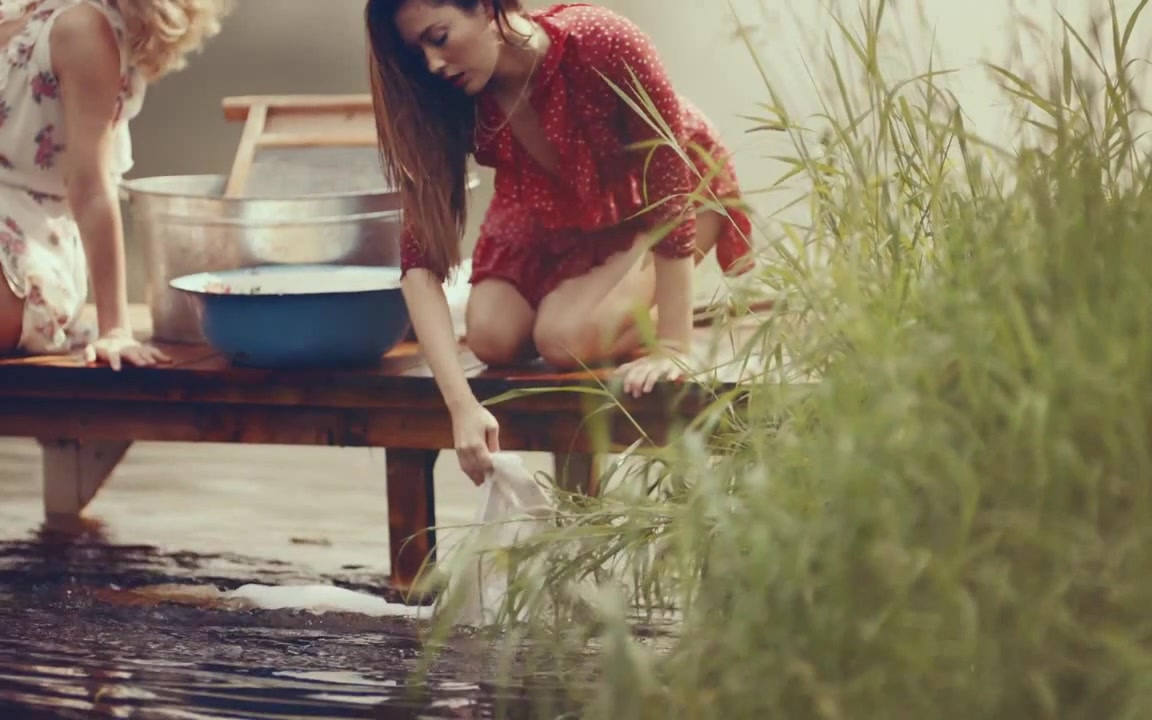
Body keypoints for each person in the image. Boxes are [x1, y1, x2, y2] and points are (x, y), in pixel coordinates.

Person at [366, 0, 755, 484]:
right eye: (416, 53)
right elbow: (418, 260)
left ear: (486, 7)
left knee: (562, 339)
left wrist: (673, 345)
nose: (432, 64)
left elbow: (669, 186)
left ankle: (672, 306)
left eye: (439, 38)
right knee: (490, 335)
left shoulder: (601, 40)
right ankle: (607, 303)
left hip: (666, 198)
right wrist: (460, 406)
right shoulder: (448, 96)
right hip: (555, 209)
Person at [0, 0, 229, 369]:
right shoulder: (16, 12)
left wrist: (116, 328)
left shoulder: (81, 28)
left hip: (25, 248)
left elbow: (92, 185)